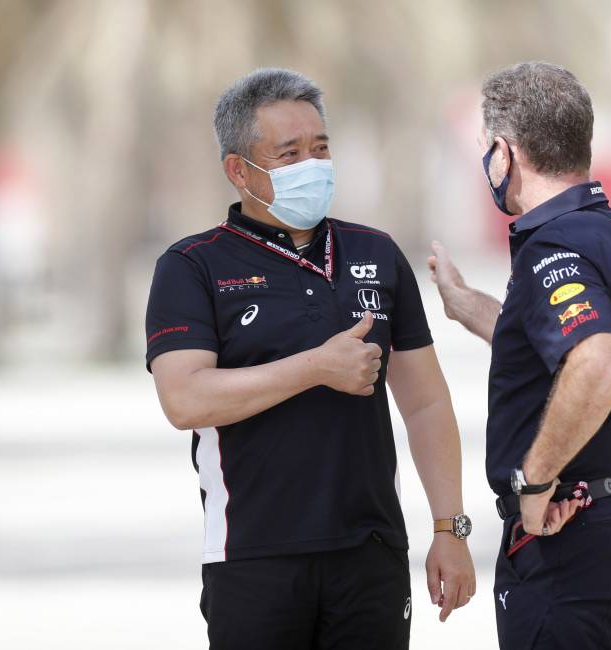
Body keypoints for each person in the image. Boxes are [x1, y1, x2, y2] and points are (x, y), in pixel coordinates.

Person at [144, 68, 475, 650]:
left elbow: (424, 403)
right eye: (289, 152)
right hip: (252, 555)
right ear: (239, 170)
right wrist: (314, 369)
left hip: (370, 553)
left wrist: (450, 529)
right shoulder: (193, 266)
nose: (313, 165)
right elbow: (184, 399)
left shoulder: (375, 252)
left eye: (320, 147)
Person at [428, 62, 611, 649]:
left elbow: (598, 359)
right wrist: (467, 306)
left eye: (486, 148)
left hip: (569, 533)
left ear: (505, 153)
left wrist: (535, 484)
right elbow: (554, 344)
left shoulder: (553, 248)